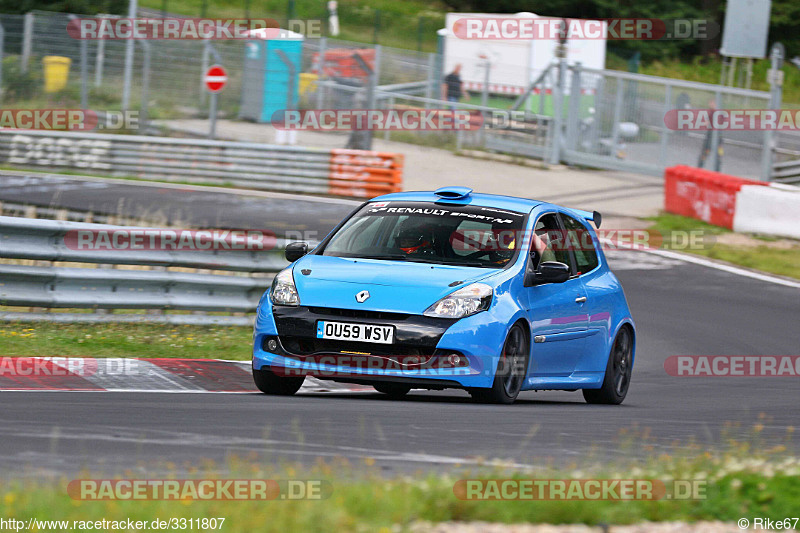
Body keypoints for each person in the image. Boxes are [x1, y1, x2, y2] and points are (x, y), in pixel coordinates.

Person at [697, 98, 724, 171]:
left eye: (711, 103)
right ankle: (700, 167)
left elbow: (709, 123)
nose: (710, 104)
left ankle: (715, 170)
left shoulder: (717, 113)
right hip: (714, 136)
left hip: (715, 136)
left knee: (715, 154)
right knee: (707, 152)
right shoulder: (713, 112)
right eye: (710, 103)